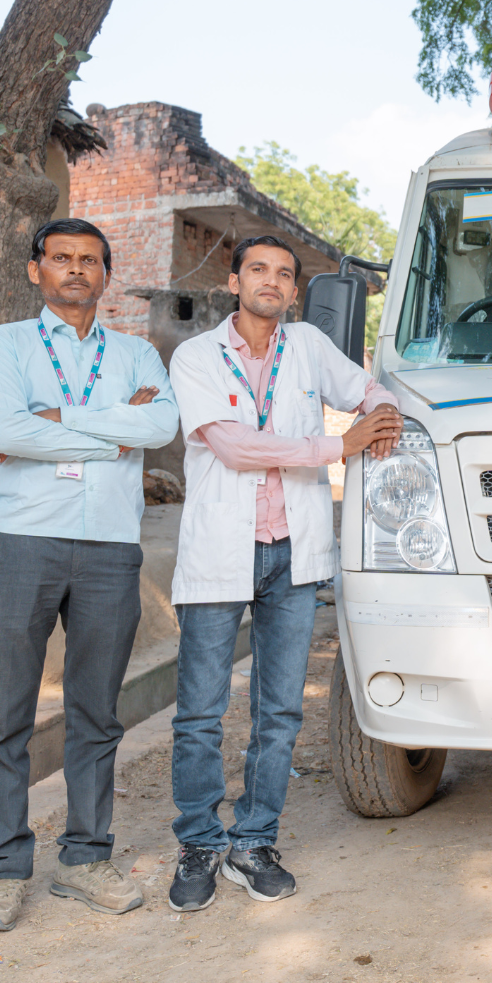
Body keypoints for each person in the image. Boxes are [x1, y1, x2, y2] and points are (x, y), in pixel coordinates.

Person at [163, 235, 404, 912]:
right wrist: (339, 445)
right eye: (258, 270)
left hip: (292, 554)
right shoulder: (195, 356)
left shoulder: (307, 347)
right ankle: (199, 845)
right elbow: (233, 446)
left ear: (295, 291)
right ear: (235, 281)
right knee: (201, 713)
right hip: (221, 550)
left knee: (280, 712)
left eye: (284, 274)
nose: (271, 282)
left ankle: (254, 841)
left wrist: (382, 418)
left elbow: (369, 389)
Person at [0, 218, 180, 932]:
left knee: (96, 712)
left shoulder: (137, 352)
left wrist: (60, 417)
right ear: (36, 270)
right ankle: (2, 866)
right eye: (62, 259)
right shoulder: (5, 345)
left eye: (90, 260)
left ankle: (86, 859)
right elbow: (8, 433)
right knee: (6, 712)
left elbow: (159, 431)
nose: (77, 270)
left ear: (106, 274)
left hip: (110, 547)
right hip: (24, 541)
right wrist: (111, 431)